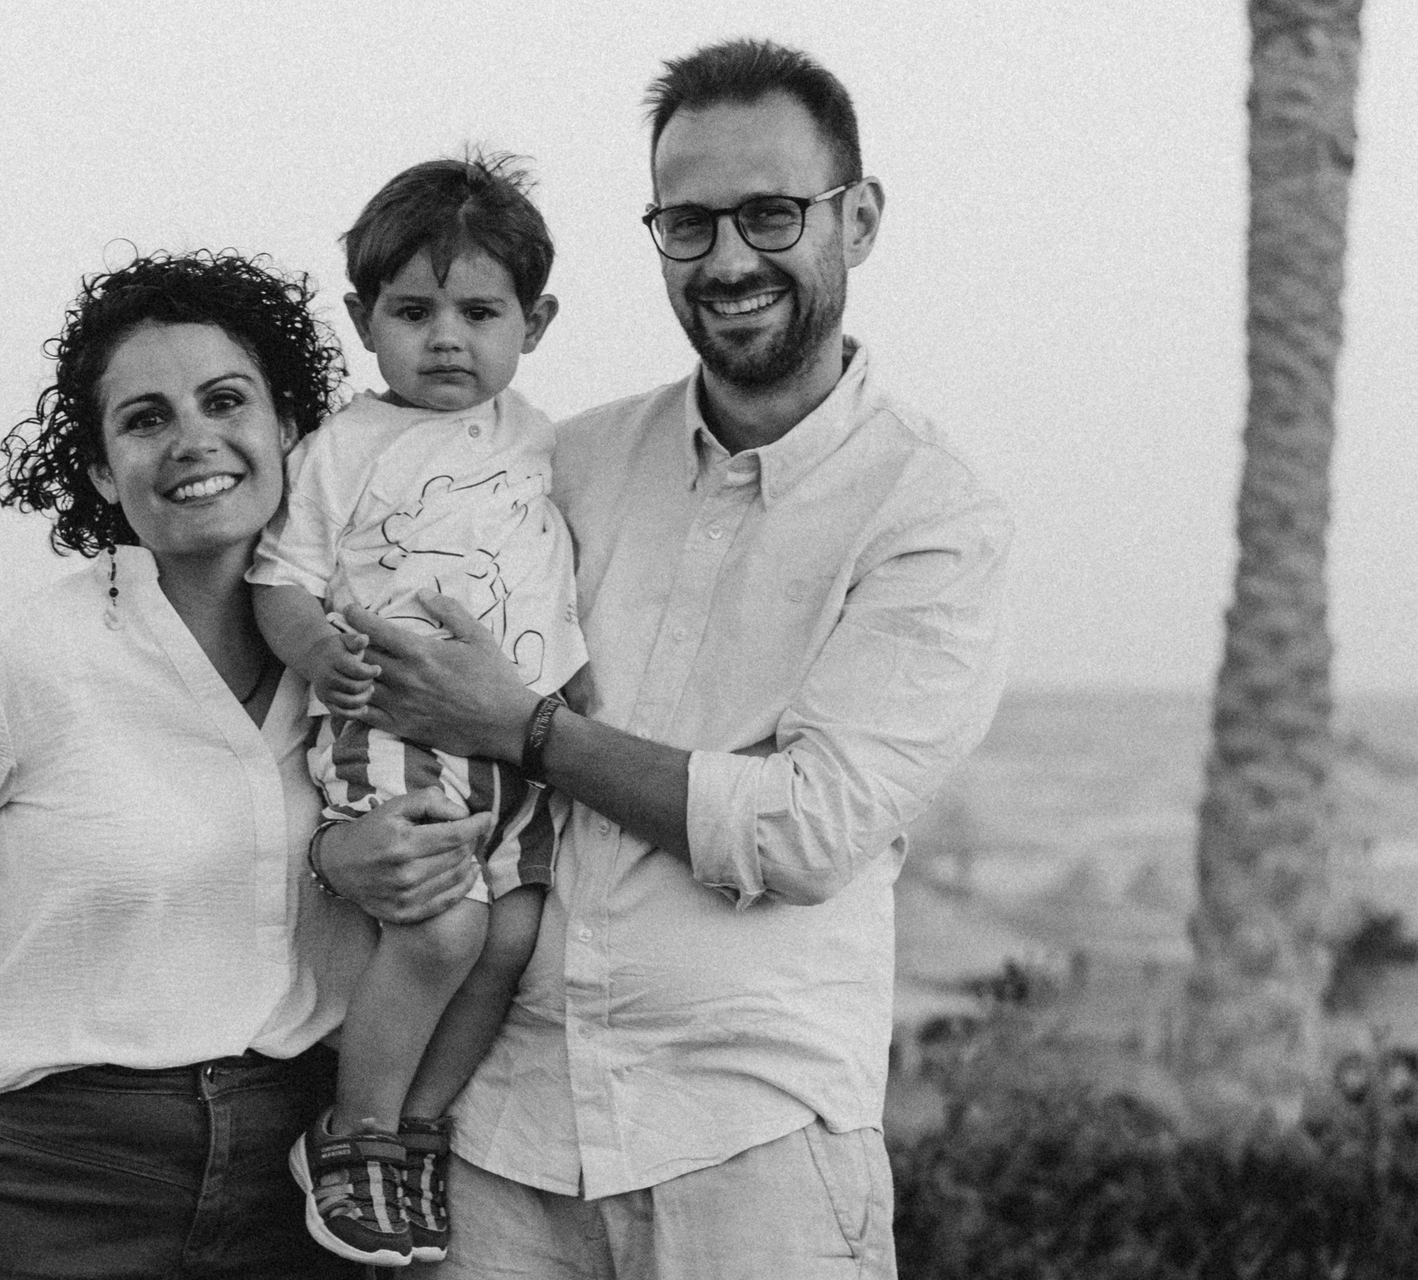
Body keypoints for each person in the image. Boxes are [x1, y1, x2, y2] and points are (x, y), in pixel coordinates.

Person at [317, 39, 1012, 1280]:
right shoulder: (561, 460)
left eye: (771, 214)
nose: (729, 259)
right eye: (689, 224)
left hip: (752, 1147)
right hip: (497, 1139)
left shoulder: (931, 514)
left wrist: (528, 729)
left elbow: (804, 829)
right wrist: (341, 847)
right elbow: (379, 682)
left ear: (858, 220)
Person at [0, 250, 489, 1280]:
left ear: (291, 429)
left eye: (226, 400)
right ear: (105, 473)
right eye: (146, 419)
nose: (194, 438)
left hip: (304, 1179)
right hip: (63, 1180)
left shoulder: (365, 656)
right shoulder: (23, 659)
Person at [249, 154, 583, 1267]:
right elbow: (279, 580)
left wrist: (572, 700)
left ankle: (418, 1128)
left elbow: (549, 581)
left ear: (534, 322)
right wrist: (318, 653)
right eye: (413, 312)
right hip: (390, 730)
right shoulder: (343, 448)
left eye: (480, 313)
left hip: (515, 748)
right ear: (364, 320)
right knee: (443, 928)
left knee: (514, 933)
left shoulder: (538, 437)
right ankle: (353, 1132)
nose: (447, 339)